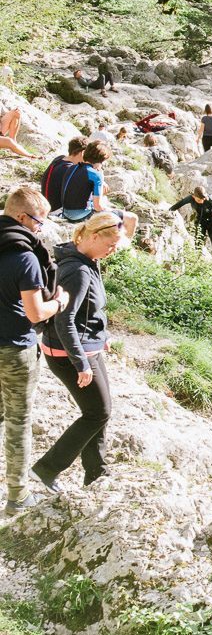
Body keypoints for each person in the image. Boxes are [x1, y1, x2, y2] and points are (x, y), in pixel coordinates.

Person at [32, 210, 126, 493]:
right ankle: (46, 469)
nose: (113, 251)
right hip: (70, 353)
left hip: (86, 347)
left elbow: (89, 310)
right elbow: (64, 319)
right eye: (111, 245)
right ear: (94, 236)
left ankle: (97, 473)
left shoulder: (87, 259)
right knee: (98, 412)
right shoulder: (78, 270)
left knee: (99, 410)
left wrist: (101, 336)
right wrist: (81, 362)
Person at [0, 185, 68, 512]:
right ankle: (18, 495)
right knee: (17, 421)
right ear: (23, 217)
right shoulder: (25, 258)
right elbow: (35, 312)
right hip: (15, 348)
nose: (41, 229)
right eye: (39, 222)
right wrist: (59, 302)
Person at [59, 139, 109, 224]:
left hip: (65, 212)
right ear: (102, 160)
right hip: (79, 216)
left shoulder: (72, 167)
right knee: (106, 203)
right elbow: (98, 207)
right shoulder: (96, 175)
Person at [171, 185, 212, 252]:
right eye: (199, 200)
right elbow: (180, 203)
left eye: (203, 199)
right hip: (200, 221)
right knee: (198, 243)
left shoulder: (208, 198)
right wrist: (170, 210)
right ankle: (198, 259)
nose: (202, 201)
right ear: (194, 197)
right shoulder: (190, 198)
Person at [41, 137, 87, 212]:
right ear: (83, 153)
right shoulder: (70, 169)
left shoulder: (59, 159)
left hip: (46, 205)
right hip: (56, 210)